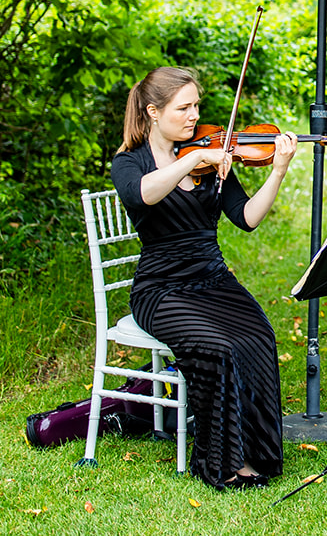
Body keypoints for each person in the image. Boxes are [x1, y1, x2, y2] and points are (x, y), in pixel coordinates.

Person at [109, 66, 295, 490]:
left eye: (197, 105)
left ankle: (257, 452)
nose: (194, 115)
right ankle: (220, 462)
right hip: (161, 288)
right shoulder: (130, 162)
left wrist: (278, 171)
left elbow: (246, 218)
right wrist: (194, 158)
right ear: (154, 112)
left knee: (259, 336)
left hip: (212, 278)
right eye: (184, 107)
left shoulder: (213, 154)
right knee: (216, 346)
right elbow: (143, 194)